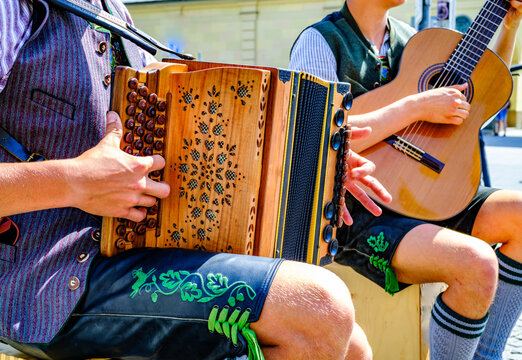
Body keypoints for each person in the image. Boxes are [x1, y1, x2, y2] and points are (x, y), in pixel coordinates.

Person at [0, 0, 394, 359]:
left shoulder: (114, 12)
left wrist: (315, 172)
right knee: (321, 308)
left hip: (128, 255)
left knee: (353, 345)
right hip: (41, 280)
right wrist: (76, 181)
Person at [290, 0, 522, 359]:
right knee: (476, 263)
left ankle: (485, 354)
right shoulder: (321, 41)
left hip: (428, 191)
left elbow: (479, 94)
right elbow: (316, 138)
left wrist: (508, 24)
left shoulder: (414, 40)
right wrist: (416, 106)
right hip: (355, 208)